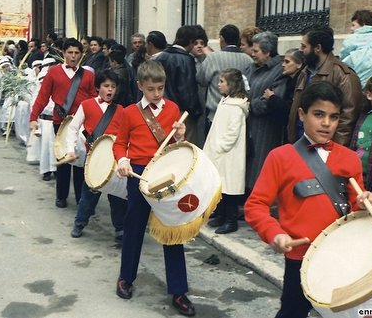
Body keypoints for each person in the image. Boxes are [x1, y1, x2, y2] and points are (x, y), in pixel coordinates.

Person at [244, 81, 372, 318]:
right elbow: (255, 205)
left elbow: (354, 209)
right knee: (292, 312)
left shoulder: (350, 159)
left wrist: (367, 203)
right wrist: (274, 233)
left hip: (341, 254)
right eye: (319, 115)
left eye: (333, 117)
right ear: (301, 114)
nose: (327, 123)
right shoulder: (280, 157)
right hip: (300, 257)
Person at [112, 60, 193, 316]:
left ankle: (179, 291)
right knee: (134, 229)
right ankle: (126, 278)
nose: (157, 93)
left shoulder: (174, 109)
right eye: (151, 89)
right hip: (138, 175)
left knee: (172, 231)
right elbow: (119, 143)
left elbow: (178, 146)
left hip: (166, 175)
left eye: (160, 88)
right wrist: (123, 161)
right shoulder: (129, 112)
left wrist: (181, 135)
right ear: (140, 86)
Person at [30, 38, 98, 209]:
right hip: (60, 122)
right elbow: (43, 97)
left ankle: (80, 198)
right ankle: (61, 196)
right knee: (62, 159)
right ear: (63, 53)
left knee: (80, 160)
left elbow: (93, 99)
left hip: (82, 123)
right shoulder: (53, 73)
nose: (73, 56)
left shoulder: (88, 75)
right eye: (70, 52)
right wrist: (33, 117)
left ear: (81, 55)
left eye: (76, 53)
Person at [67, 70, 127, 242]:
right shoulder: (86, 105)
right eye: (106, 86)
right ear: (97, 88)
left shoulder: (120, 110)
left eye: (113, 87)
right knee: (89, 194)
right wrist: (71, 149)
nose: (110, 90)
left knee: (116, 195)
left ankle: (120, 228)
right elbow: (72, 128)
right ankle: (79, 223)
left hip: (114, 159)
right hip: (92, 159)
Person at [287, 26, 363, 146]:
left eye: (304, 46)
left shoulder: (344, 76)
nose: (300, 50)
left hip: (324, 150)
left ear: (317, 48)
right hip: (300, 143)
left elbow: (347, 121)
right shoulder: (304, 72)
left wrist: (331, 152)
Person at [203, 68, 249, 234]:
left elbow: (233, 131)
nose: (219, 84)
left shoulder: (236, 106)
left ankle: (231, 220)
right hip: (219, 153)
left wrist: (221, 146)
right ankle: (221, 215)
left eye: (222, 81)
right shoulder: (226, 101)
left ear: (232, 84)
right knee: (221, 186)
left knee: (230, 188)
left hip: (228, 154)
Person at [244, 31, 288, 195]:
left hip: (264, 128)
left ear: (268, 52)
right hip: (248, 124)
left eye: (256, 51)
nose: (252, 54)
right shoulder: (251, 67)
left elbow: (273, 98)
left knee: (259, 165)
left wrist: (250, 104)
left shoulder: (279, 70)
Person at [196, 24, 253, 136]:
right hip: (239, 114)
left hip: (215, 113)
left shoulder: (213, 58)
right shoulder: (248, 60)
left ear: (221, 38)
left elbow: (201, 79)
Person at [157, 25, 202, 146]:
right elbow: (187, 90)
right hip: (182, 112)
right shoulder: (186, 60)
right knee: (185, 145)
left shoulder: (160, 57)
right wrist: (196, 111)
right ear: (191, 42)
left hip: (161, 108)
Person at [339, 9, 372, 88]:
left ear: (363, 24)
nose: (351, 28)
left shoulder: (351, 38)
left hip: (354, 79)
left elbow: (343, 56)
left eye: (353, 25)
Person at [261, 48, 305, 144]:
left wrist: (272, 98)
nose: (283, 65)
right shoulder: (287, 80)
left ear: (299, 64)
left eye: (287, 62)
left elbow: (290, 108)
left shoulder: (299, 82)